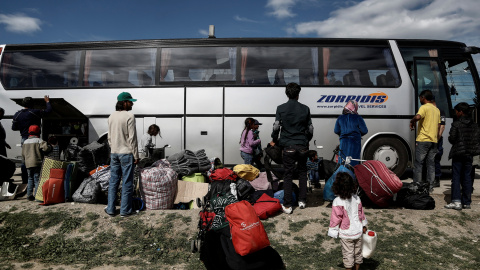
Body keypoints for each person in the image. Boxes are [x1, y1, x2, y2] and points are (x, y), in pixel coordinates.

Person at [270, 82, 313, 214]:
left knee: (288, 174)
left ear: (287, 94)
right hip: (302, 146)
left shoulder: (280, 108)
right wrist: (306, 140)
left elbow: (276, 127)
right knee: (302, 172)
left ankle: (288, 205)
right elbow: (310, 129)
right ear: (298, 94)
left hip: (287, 146)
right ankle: (302, 201)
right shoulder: (305, 108)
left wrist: (274, 139)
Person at [105, 92, 139, 217]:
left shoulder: (111, 117)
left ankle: (111, 209)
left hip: (114, 153)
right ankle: (125, 211)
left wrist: (113, 148)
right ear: (124, 103)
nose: (132, 103)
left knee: (113, 181)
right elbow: (132, 138)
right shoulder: (129, 116)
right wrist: (136, 155)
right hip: (126, 153)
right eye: (130, 101)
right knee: (127, 182)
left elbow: (109, 138)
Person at [328, 172, 368, 270]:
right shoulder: (357, 198)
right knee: (358, 253)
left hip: (346, 234)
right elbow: (361, 214)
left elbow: (336, 218)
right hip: (358, 231)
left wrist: (333, 231)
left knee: (348, 255)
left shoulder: (337, 201)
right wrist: (364, 225)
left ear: (337, 186)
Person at [444, 102, 480, 210]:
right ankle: (466, 202)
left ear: (460, 112)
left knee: (456, 177)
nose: (455, 113)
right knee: (467, 177)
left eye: (456, 111)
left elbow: (452, 138)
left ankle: (456, 201)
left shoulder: (456, 124)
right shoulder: (475, 125)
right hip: (469, 154)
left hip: (458, 154)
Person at [12, 96, 52, 183]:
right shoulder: (35, 112)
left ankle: (25, 180)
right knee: (37, 159)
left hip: (24, 140)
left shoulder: (17, 114)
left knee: (25, 160)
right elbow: (48, 111)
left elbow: (14, 127)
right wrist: (47, 102)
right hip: (35, 139)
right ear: (32, 104)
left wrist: (23, 127)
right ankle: (36, 181)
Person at [409, 90, 440, 192]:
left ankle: (417, 186)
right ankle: (430, 187)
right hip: (434, 140)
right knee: (431, 164)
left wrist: (412, 121)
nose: (420, 100)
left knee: (419, 163)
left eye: (420, 98)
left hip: (423, 139)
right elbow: (439, 125)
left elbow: (418, 117)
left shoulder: (424, 107)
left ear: (423, 97)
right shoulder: (436, 110)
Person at [334, 100, 368, 166]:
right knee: (353, 160)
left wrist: (343, 134)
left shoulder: (340, 118)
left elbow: (336, 130)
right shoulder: (358, 117)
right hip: (355, 142)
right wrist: (358, 134)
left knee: (343, 160)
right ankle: (352, 174)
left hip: (343, 142)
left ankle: (342, 174)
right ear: (355, 107)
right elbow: (364, 130)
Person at [22, 125, 51, 201]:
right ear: (38, 131)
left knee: (30, 178)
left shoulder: (25, 141)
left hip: (28, 163)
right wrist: (50, 146)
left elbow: (23, 154)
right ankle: (37, 197)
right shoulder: (39, 140)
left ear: (29, 132)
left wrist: (24, 162)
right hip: (37, 163)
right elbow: (46, 149)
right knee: (37, 179)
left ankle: (29, 195)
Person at [432, 97, 446, 188]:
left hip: (433, 139)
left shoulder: (438, 111)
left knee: (435, 158)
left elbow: (442, 126)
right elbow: (442, 126)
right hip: (435, 138)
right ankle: (435, 179)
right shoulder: (440, 111)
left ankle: (435, 178)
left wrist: (437, 137)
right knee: (434, 159)